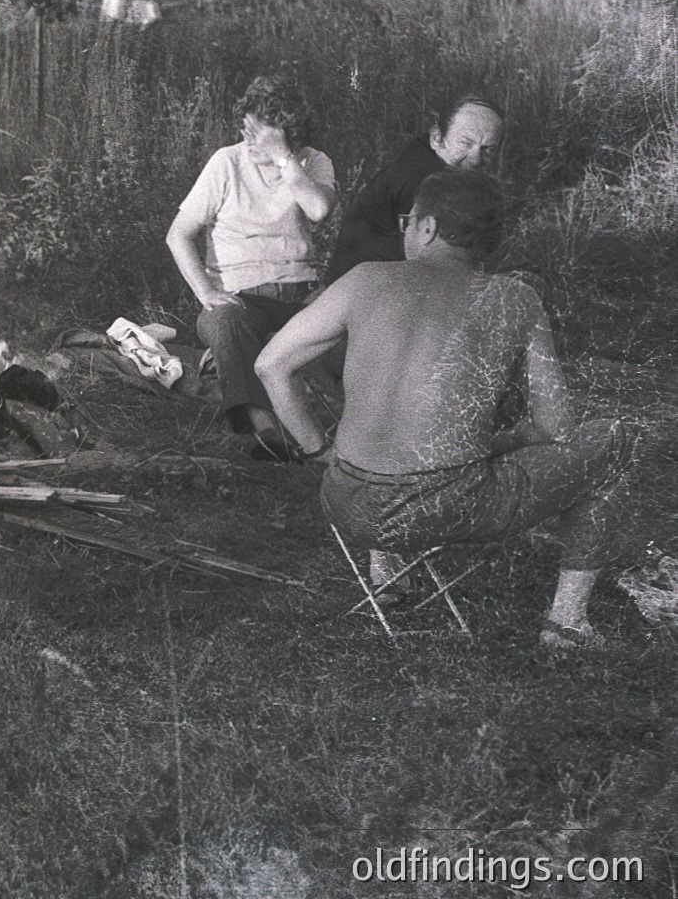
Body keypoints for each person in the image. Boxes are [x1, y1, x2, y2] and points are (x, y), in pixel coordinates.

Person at [255, 169, 640, 652]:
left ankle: (389, 570)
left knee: (399, 419)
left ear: (429, 227)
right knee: (612, 438)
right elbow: (556, 426)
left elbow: (272, 364)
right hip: (444, 507)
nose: (406, 231)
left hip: (346, 499)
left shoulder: (363, 281)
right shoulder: (515, 297)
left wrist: (318, 451)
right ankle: (566, 623)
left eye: (408, 222)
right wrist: (510, 439)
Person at [165, 74, 338, 460]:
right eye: (247, 131)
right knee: (225, 323)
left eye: (261, 134)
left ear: (288, 135)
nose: (250, 142)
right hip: (242, 299)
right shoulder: (226, 162)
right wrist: (206, 293)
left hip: (301, 294)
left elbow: (319, 209)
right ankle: (266, 433)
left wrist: (283, 158)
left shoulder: (313, 162)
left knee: (347, 314)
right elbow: (178, 235)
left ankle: (356, 424)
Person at [324, 93, 504, 283]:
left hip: (382, 284)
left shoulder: (430, 164)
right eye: (465, 143)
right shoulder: (421, 179)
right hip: (366, 295)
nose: (475, 159)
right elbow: (428, 260)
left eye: (488, 149)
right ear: (436, 138)